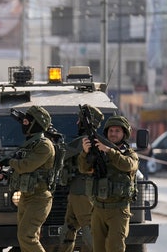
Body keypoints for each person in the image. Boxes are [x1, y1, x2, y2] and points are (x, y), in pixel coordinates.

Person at [0, 105, 55, 252]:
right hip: (26, 196)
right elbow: (22, 171)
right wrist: (6, 173)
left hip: (39, 198)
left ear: (36, 124)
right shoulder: (30, 145)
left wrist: (8, 161)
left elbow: (26, 166)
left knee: (26, 237)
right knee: (24, 238)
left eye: (27, 122)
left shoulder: (44, 146)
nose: (24, 124)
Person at [78, 115, 139, 252]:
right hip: (98, 208)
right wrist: (85, 153)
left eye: (117, 131)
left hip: (118, 210)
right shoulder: (99, 153)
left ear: (124, 134)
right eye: (111, 131)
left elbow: (128, 165)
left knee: (115, 247)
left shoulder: (129, 154)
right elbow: (83, 168)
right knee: (98, 248)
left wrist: (109, 151)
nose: (113, 134)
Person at [58, 105, 103, 252]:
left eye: (80, 120)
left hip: (83, 192)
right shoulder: (87, 140)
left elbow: (64, 153)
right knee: (69, 228)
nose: (77, 123)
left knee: (88, 228)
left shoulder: (86, 140)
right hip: (76, 191)